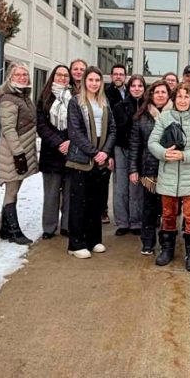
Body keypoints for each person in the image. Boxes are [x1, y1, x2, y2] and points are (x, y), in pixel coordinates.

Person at [148, 83, 190, 271]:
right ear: (174, 99)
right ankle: (167, 249)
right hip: (169, 175)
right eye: (179, 96)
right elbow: (152, 142)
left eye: (186, 96)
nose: (182, 100)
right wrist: (164, 153)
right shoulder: (164, 117)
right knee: (168, 214)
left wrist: (184, 155)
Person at [64, 66, 116, 259]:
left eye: (97, 80)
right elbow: (75, 132)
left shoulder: (104, 101)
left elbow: (113, 129)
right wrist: (94, 152)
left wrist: (105, 152)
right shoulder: (76, 102)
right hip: (82, 158)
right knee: (79, 203)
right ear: (84, 81)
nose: (94, 83)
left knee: (96, 202)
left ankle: (94, 240)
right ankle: (76, 243)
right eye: (91, 80)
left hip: (100, 159)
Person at [128, 80, 172, 254]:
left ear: (169, 95)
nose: (160, 95)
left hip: (170, 169)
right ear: (151, 95)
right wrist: (133, 169)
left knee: (168, 210)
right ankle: (147, 242)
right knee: (149, 209)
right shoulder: (141, 116)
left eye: (163, 92)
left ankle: (167, 243)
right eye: (157, 92)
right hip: (149, 170)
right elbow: (135, 146)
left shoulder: (176, 114)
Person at [0, 62, 38, 245]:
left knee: (15, 190)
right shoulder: (8, 99)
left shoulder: (22, 95)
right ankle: (14, 231)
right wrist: (18, 154)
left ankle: (5, 229)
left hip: (21, 150)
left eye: (25, 74)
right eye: (18, 74)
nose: (22, 77)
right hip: (12, 153)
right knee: (11, 191)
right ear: (10, 77)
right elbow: (8, 129)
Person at [36, 65, 72, 239]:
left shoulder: (74, 97)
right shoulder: (44, 97)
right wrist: (59, 143)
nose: (62, 78)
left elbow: (78, 123)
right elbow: (41, 125)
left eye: (66, 75)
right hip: (51, 153)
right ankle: (49, 227)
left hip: (71, 152)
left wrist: (70, 141)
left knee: (69, 193)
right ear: (53, 77)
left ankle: (66, 225)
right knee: (51, 194)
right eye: (59, 75)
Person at [112, 74, 145, 236]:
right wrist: (110, 154)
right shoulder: (119, 106)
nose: (136, 89)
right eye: (133, 85)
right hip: (121, 149)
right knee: (121, 188)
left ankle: (136, 221)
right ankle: (123, 222)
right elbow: (113, 130)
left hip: (140, 150)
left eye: (140, 86)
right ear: (129, 87)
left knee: (136, 187)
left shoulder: (148, 107)